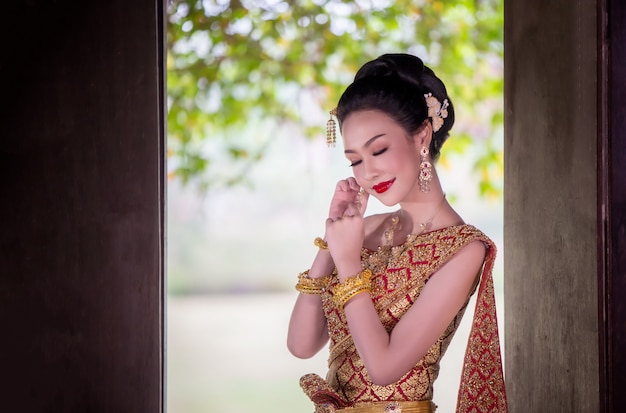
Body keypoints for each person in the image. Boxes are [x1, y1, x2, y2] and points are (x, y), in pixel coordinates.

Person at [287, 53, 508, 413]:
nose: (368, 172)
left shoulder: (464, 249)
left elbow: (384, 368)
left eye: (379, 150)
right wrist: (330, 239)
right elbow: (301, 345)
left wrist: (347, 263)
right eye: (355, 160)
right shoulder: (366, 230)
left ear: (422, 135)